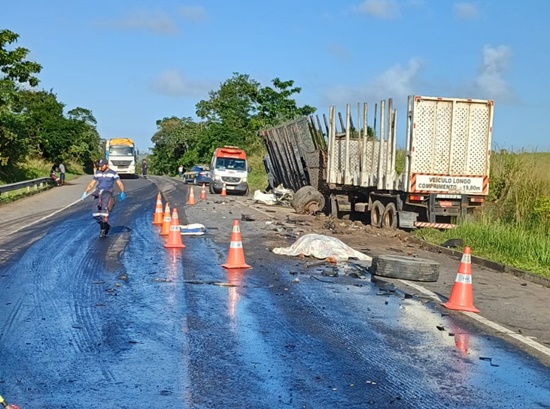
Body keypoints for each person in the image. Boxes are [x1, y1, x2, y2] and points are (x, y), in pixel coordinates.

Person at [82, 158, 126, 238]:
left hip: (107, 193)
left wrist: (122, 191)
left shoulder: (113, 173)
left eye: (102, 166)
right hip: (98, 193)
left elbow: (119, 183)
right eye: (100, 166)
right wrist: (86, 191)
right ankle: (106, 225)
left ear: (107, 165)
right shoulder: (98, 173)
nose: (101, 167)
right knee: (95, 214)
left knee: (103, 213)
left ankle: (103, 230)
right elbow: (92, 183)